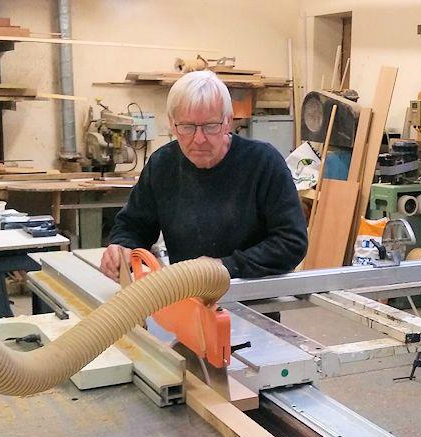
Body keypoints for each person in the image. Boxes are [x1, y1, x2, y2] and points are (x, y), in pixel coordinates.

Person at [100, 70, 307, 281]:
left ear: (228, 121)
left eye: (210, 126)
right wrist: (122, 249)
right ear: (172, 124)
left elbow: (291, 242)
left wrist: (225, 267)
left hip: (253, 301)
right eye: (187, 127)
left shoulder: (263, 162)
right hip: (189, 297)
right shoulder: (162, 164)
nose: (199, 139)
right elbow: (133, 226)